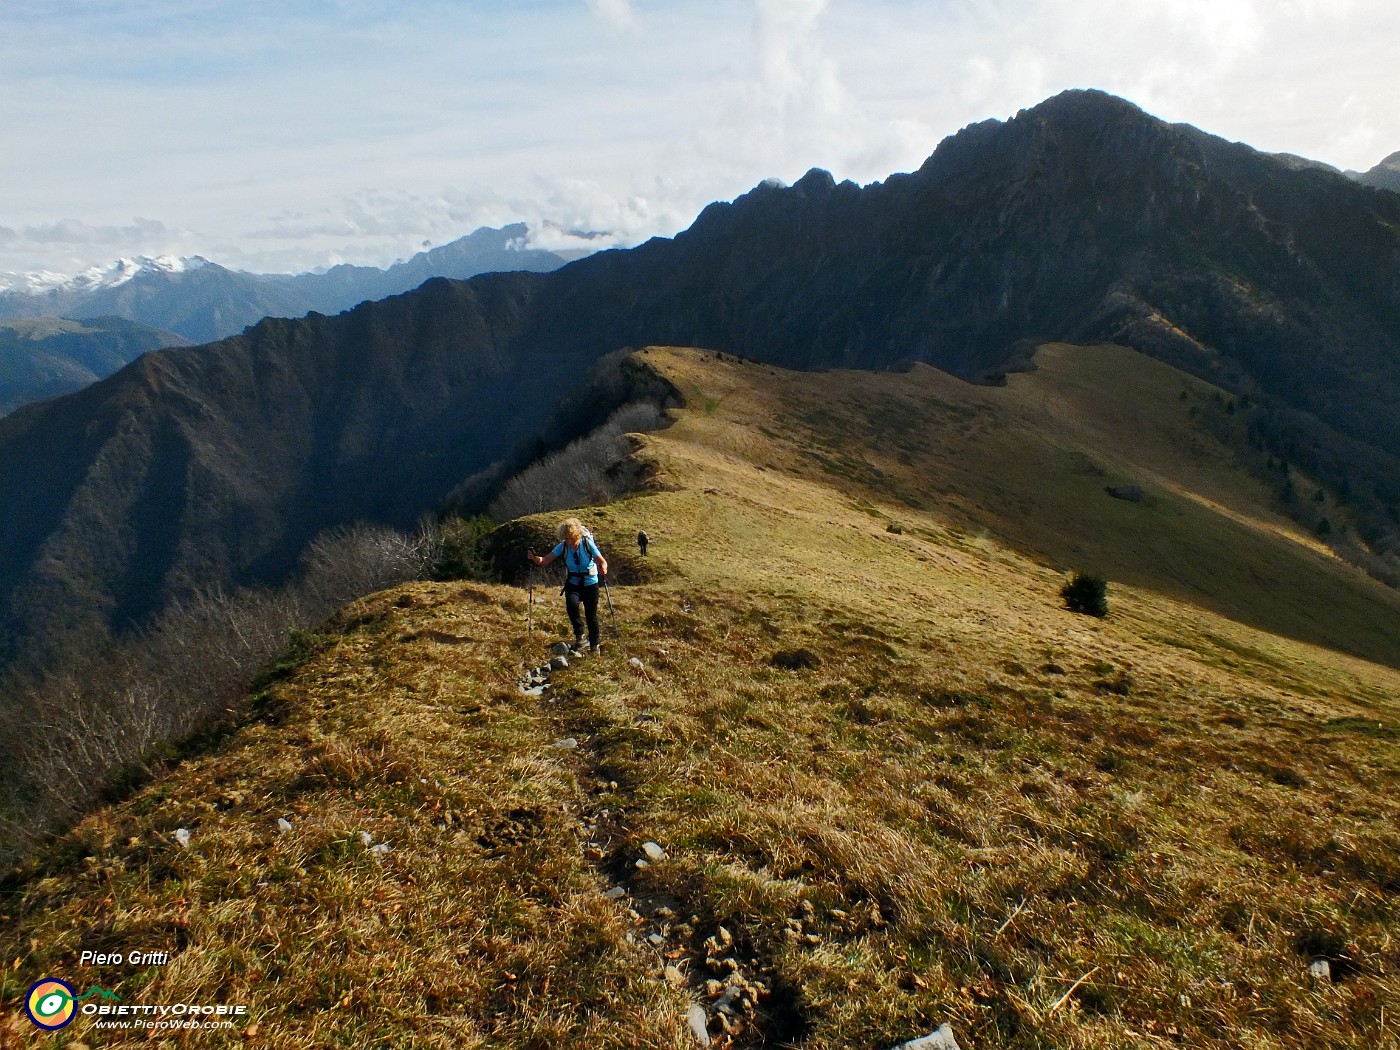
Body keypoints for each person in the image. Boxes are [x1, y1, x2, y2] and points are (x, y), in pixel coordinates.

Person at [529, 518, 608, 653]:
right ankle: (580, 636)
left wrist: (603, 568)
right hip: (573, 582)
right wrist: (535, 558)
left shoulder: (587, 543)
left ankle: (595, 645)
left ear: (577, 535)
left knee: (591, 615)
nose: (569, 542)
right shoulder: (563, 546)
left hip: (590, 583)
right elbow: (545, 560)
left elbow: (602, 561)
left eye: (571, 538)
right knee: (572, 606)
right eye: (566, 538)